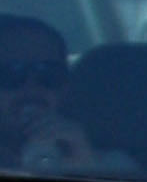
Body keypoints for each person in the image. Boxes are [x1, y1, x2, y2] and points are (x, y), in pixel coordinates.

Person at [0, 16, 96, 173]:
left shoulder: (120, 170)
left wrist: (86, 171)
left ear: (66, 87)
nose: (32, 88)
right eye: (9, 75)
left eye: (49, 75)